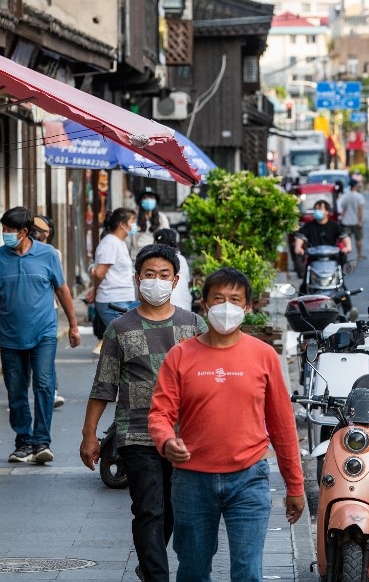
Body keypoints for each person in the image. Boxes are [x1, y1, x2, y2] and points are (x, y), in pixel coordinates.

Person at [149, 268, 305, 581]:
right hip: (192, 482)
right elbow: (160, 412)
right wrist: (166, 441)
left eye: (235, 299)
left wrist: (295, 485)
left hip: (249, 479)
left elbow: (283, 426)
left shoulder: (264, 356)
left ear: (248, 307)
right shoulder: (180, 356)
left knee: (248, 572)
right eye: (218, 298)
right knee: (192, 571)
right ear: (204, 305)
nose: (226, 306)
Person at [81, 244, 207, 581]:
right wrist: (89, 435)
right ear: (138, 279)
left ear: (175, 280)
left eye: (163, 275)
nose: (156, 281)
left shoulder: (194, 325)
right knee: (148, 509)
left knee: (174, 512)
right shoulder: (120, 328)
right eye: (149, 275)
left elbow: (211, 380)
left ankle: (149, 561)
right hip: (136, 433)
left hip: (184, 436)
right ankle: (156, 574)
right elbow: (103, 385)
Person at [0, 206, 81, 464]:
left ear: (24, 232)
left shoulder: (47, 255)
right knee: (16, 389)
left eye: (9, 231)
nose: (5, 235)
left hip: (44, 332)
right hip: (11, 335)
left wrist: (73, 324)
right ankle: (23, 441)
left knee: (44, 385)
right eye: (3, 230)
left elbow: (62, 290)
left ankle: (42, 441)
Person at [88, 208, 139, 356]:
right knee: (127, 342)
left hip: (121, 298)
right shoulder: (110, 243)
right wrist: (95, 286)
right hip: (113, 300)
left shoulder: (119, 243)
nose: (134, 225)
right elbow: (99, 273)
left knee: (125, 342)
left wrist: (94, 289)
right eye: (132, 221)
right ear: (122, 225)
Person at [32, 215, 66, 409]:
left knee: (46, 355)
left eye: (39, 229)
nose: (35, 232)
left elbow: (59, 285)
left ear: (48, 233)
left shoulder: (53, 253)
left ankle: (51, 392)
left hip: (47, 310)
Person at [151, 228, 193, 312]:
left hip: (165, 311)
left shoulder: (154, 261)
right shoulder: (181, 259)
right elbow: (186, 283)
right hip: (186, 308)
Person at [130, 189, 170, 258]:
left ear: (155, 201)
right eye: (145, 198)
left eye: (151, 198)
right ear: (140, 201)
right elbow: (130, 236)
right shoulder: (134, 219)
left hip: (156, 254)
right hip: (138, 254)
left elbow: (167, 236)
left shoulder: (162, 218)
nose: (148, 200)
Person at [338, 179, 366, 260]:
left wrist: (342, 219)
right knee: (358, 239)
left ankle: (345, 255)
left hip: (346, 221)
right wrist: (360, 221)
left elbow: (343, 209)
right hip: (356, 221)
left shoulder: (346, 196)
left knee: (346, 239)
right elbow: (360, 210)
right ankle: (359, 254)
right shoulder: (359, 196)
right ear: (355, 185)